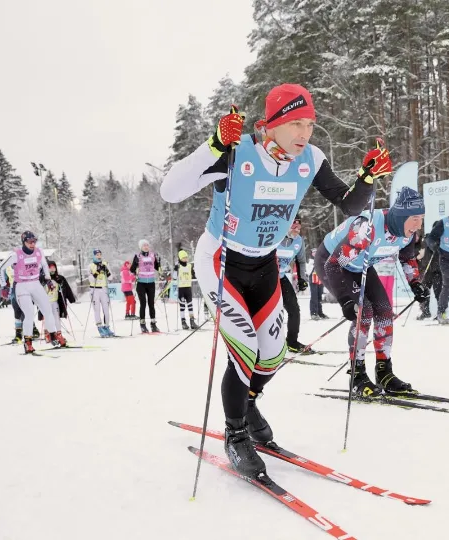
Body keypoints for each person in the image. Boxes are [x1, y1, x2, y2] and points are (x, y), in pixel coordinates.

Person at [161, 83, 379, 477]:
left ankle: (248, 401)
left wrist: (366, 178)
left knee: (274, 351)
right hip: (220, 260)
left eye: (310, 125)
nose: (304, 134)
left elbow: (349, 203)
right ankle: (236, 433)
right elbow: (171, 190)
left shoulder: (310, 159)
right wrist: (213, 144)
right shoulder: (237, 152)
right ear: (272, 124)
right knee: (244, 349)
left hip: (263, 265)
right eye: (295, 123)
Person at [316, 187, 428, 397]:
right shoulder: (366, 228)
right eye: (414, 218)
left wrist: (415, 283)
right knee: (363, 311)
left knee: (385, 311)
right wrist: (345, 301)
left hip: (360, 266)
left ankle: (384, 372)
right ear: (402, 216)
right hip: (332, 262)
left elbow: (407, 257)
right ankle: (357, 375)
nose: (418, 224)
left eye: (421, 218)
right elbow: (333, 265)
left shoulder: (408, 233)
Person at [0, 231, 67, 353]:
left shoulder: (39, 252)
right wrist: (3, 286)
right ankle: (28, 343)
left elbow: (44, 265)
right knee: (29, 314)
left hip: (35, 284)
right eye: (30, 242)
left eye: (34, 241)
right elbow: (0, 268)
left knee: (47, 310)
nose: (32, 244)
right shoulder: (16, 254)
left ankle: (53, 335)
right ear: (24, 242)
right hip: (22, 286)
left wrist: (48, 279)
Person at [276, 219, 310, 352]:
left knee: (294, 310)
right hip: (266, 278)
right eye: (294, 227)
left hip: (282, 277)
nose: (297, 230)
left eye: (299, 228)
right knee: (272, 312)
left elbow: (301, 261)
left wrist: (302, 279)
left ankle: (292, 342)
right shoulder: (276, 236)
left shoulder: (298, 241)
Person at [130, 239, 161, 333]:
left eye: (147, 245)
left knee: (151, 304)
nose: (146, 247)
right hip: (141, 283)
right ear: (141, 247)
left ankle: (153, 324)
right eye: (144, 245)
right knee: (143, 304)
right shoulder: (137, 256)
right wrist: (135, 268)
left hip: (151, 282)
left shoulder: (153, 255)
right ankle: (142, 324)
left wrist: (159, 262)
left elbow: (157, 267)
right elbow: (132, 269)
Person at [416, 231, 442, 320]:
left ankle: (440, 314)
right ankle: (425, 312)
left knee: (438, 293)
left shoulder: (443, 240)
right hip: (427, 271)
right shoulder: (428, 239)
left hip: (438, 271)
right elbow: (420, 254)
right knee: (424, 291)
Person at [174, 249, 198, 330]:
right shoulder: (178, 266)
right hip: (181, 289)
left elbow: (194, 275)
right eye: (183, 258)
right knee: (182, 306)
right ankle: (183, 322)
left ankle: (192, 321)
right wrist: (175, 269)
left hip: (188, 288)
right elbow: (174, 277)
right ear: (180, 258)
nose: (185, 259)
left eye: (186, 257)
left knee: (190, 305)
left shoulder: (189, 266)